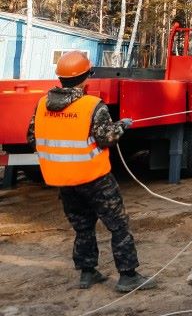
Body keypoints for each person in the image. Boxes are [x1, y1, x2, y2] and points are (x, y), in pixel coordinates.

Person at [26, 51, 156, 293]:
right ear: (86, 76)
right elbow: (106, 138)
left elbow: (32, 138)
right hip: (94, 178)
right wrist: (120, 127)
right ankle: (128, 275)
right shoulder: (92, 105)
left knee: (83, 226)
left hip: (63, 180)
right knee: (118, 226)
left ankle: (88, 272)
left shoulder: (42, 104)